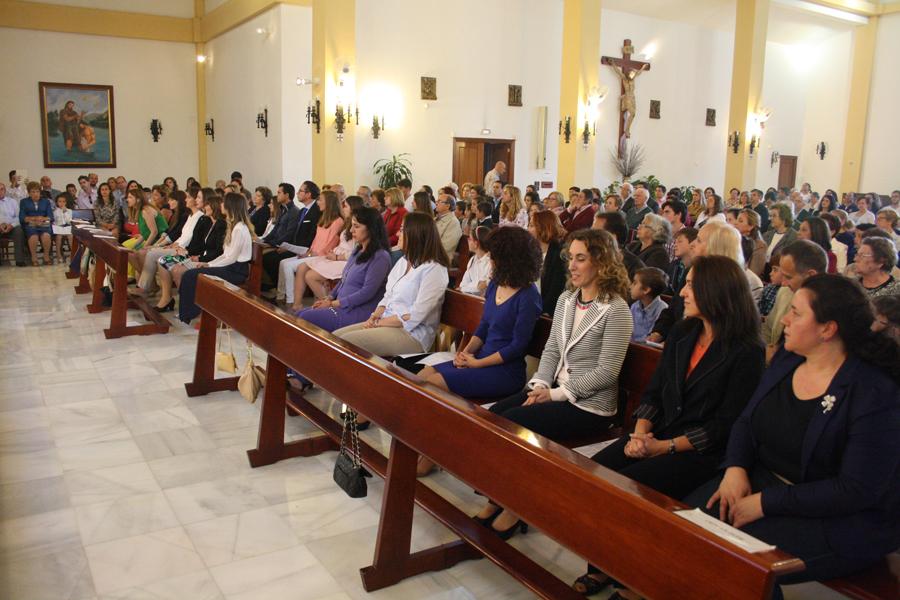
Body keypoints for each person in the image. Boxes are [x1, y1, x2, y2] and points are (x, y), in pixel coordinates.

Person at [688, 275, 900, 600]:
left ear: (827, 329)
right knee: (681, 530)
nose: (784, 318)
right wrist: (735, 468)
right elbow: (747, 421)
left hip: (838, 517)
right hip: (763, 482)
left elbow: (855, 489)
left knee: (732, 560)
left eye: (796, 313)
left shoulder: (872, 391)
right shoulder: (788, 359)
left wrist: (765, 503)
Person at [572, 255, 764, 597]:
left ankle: (632, 576)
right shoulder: (684, 331)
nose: (683, 292)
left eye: (691, 285)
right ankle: (603, 562)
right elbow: (657, 388)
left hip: (701, 450)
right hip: (657, 432)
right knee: (595, 473)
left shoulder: (746, 350)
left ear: (715, 291)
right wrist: (641, 431)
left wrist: (663, 447)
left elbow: (725, 424)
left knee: (635, 488)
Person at [473, 229, 634, 537]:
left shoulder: (616, 309)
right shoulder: (566, 299)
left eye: (581, 259)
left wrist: (555, 394)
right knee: (493, 417)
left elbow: (607, 372)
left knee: (516, 424)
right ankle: (499, 496)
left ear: (602, 263)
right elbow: (552, 350)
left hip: (587, 405)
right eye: (570, 258)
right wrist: (537, 388)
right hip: (551, 391)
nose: (571, 266)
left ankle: (516, 505)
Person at [418, 226, 542, 406]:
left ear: (511, 260)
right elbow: (484, 325)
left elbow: (517, 346)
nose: (490, 259)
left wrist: (478, 363)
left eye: (495, 256)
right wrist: (465, 352)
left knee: (434, 384)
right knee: (422, 377)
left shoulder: (528, 295)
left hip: (505, 371)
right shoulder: (495, 285)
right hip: (480, 358)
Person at [334, 212, 450, 358]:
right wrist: (374, 316)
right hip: (387, 322)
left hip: (411, 334)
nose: (397, 233)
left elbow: (417, 315)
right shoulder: (403, 261)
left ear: (415, 234)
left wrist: (380, 322)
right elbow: (388, 295)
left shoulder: (434, 269)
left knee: (345, 343)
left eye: (402, 230)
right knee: (335, 337)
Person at [294, 207, 392, 345]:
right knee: (297, 315)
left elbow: (367, 292)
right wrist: (328, 297)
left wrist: (333, 304)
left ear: (371, 229)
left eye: (356, 226)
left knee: (305, 317)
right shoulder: (358, 250)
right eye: (352, 225)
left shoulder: (380, 257)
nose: (351, 230)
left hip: (357, 311)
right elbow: (343, 280)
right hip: (341, 305)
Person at [177, 193, 256, 323]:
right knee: (190, 273)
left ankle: (192, 314)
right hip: (229, 266)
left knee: (191, 275)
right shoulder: (233, 226)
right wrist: (208, 264)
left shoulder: (240, 229)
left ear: (231, 206)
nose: (221, 205)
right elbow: (225, 255)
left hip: (236, 270)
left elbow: (231, 259)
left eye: (224, 202)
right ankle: (191, 313)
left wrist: (210, 265)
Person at [762, 240, 828, 363]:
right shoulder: (784, 293)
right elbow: (768, 327)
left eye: (788, 277)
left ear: (811, 275)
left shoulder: (827, 306)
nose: (783, 283)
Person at [134, 185, 206, 296]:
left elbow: (190, 238)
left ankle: (147, 288)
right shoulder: (190, 216)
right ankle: (149, 287)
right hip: (178, 246)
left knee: (152, 254)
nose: (186, 199)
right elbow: (182, 235)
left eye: (189, 197)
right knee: (147, 253)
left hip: (184, 250)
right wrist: (172, 244)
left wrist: (174, 246)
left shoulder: (200, 216)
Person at [278, 190, 344, 305]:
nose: (317, 202)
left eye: (320, 200)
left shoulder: (338, 221)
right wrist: (308, 252)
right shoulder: (323, 219)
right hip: (313, 253)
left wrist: (311, 254)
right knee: (284, 262)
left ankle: (292, 301)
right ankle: (291, 301)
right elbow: (316, 240)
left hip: (323, 255)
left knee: (295, 267)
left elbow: (330, 243)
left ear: (329, 203)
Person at [299, 196, 366, 305]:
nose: (343, 208)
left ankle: (328, 304)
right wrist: (333, 252)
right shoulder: (348, 222)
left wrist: (336, 257)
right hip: (337, 257)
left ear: (353, 208)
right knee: (305, 268)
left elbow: (356, 252)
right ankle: (320, 303)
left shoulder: (358, 226)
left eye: (346, 206)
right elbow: (341, 243)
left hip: (346, 261)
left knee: (310, 276)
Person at [262, 181, 320, 291]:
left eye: (300, 191)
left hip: (304, 249)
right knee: (269, 257)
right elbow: (294, 233)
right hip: (294, 246)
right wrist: (288, 246)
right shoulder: (303, 210)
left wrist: (293, 249)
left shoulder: (316, 211)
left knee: (271, 259)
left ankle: (280, 288)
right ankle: (278, 288)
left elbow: (312, 235)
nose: (297, 193)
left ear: (308, 194)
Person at [529, 210, 568, 316]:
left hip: (546, 312)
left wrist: (540, 312)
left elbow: (555, 291)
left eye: (532, 225)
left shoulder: (559, 255)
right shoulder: (530, 251)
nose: (528, 229)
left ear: (543, 227)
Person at [592, 211, 644, 280]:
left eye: (596, 232)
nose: (590, 236)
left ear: (612, 237)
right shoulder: (592, 255)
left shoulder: (632, 267)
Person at [19, 181, 54, 265]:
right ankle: (34, 257)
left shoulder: (46, 201)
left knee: (46, 236)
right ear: (29, 193)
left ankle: (46, 256)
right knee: (34, 236)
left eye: (37, 191)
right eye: (33, 192)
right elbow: (22, 217)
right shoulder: (24, 202)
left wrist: (42, 219)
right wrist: (34, 219)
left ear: (40, 192)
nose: (36, 194)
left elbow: (51, 216)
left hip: (44, 224)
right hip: (30, 225)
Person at [630, 267, 668, 342]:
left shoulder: (663, 310)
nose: (630, 286)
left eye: (634, 283)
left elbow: (651, 340)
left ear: (646, 290)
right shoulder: (634, 306)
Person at [458, 225, 492, 296]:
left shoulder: (490, 262)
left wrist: (465, 288)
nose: (468, 240)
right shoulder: (473, 259)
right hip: (469, 296)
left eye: (470, 239)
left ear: (476, 244)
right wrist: (465, 288)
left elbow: (481, 288)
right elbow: (463, 283)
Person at [736, 208, 767, 276]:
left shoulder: (759, 246)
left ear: (751, 226)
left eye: (740, 221)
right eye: (737, 219)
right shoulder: (736, 240)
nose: (736, 223)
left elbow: (754, 273)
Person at [434, 189, 462, 259]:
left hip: (441, 258)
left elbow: (446, 246)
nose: (436, 203)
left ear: (447, 206)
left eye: (439, 201)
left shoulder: (453, 222)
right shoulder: (435, 219)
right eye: (436, 201)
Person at [758, 251, 783, 317]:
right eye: (771, 269)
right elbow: (759, 309)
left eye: (775, 270)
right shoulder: (768, 288)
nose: (770, 273)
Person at [51, 194, 72, 260]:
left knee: (70, 236)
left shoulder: (69, 211)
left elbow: (69, 221)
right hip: (58, 228)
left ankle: (73, 252)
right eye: (60, 201)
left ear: (66, 202)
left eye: (63, 201)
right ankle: (58, 253)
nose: (62, 203)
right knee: (58, 236)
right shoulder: (55, 211)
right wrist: (56, 226)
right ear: (57, 202)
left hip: (67, 227)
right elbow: (54, 221)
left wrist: (65, 212)